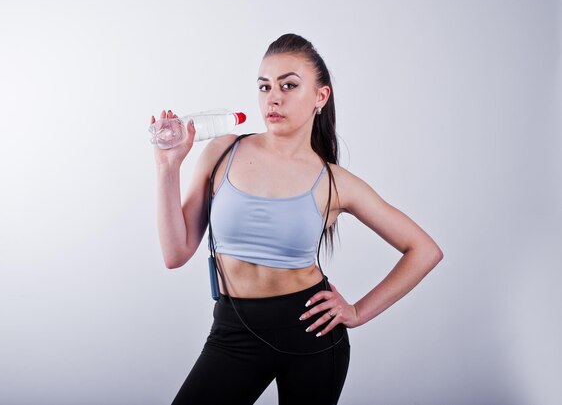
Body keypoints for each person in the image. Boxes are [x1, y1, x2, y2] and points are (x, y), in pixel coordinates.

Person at [152, 33, 443, 405]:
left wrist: (356, 312)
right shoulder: (223, 151)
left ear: (320, 97)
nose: (273, 97)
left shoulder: (335, 182)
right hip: (233, 332)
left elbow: (423, 249)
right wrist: (167, 169)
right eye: (265, 86)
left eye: (289, 85)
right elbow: (175, 254)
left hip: (312, 334)